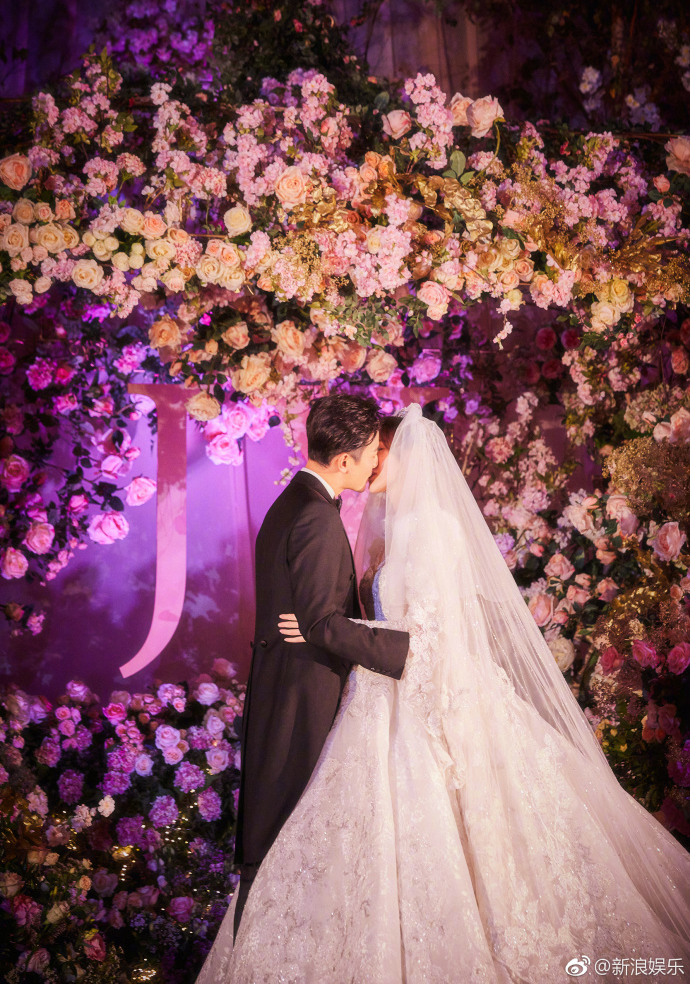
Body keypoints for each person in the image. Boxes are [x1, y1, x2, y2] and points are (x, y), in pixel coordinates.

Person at [198, 404, 690, 983]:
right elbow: (365, 616)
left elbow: (435, 632)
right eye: (372, 452)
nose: (376, 462)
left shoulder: (429, 525)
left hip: (421, 687)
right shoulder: (371, 522)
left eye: (383, 452)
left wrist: (327, 627)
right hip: (382, 691)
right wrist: (326, 625)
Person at [225, 394, 409, 944]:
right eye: (371, 452)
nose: (376, 462)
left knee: (279, 837)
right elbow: (323, 623)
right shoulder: (317, 518)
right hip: (302, 695)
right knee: (285, 840)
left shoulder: (292, 503)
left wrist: (315, 623)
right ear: (345, 460)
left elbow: (314, 617)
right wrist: (410, 652)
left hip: (288, 685)